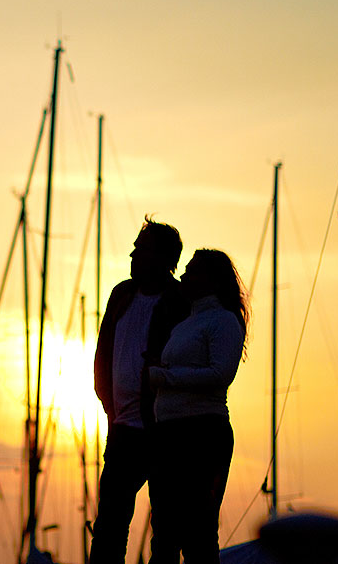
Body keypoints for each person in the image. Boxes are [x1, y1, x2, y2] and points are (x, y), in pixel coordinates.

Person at [90, 219, 189, 564]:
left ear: (163, 257)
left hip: (163, 430)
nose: (132, 255)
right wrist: (108, 402)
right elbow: (103, 351)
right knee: (109, 525)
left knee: (166, 529)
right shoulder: (122, 294)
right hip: (122, 429)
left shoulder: (179, 301)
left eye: (141, 249)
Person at [147, 249, 249, 564]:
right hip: (168, 434)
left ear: (210, 280)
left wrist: (165, 377)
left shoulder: (224, 321)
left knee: (199, 533)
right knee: (163, 532)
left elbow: (220, 374)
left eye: (191, 271)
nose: (184, 276)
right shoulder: (184, 324)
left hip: (202, 434)